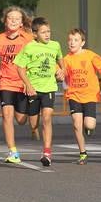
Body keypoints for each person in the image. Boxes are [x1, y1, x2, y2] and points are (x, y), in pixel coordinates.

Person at [14, 17, 65, 167]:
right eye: (43, 32)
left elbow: (60, 59)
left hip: (49, 87)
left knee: (47, 118)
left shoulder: (55, 45)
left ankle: (47, 152)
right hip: (33, 89)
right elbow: (20, 67)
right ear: (35, 34)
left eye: (48, 31)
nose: (47, 35)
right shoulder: (29, 47)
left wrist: (62, 71)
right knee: (33, 123)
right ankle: (33, 127)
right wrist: (28, 85)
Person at [0, 6, 34, 163]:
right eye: (10, 18)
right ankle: (13, 151)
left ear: (22, 22)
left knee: (21, 119)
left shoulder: (28, 38)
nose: (14, 20)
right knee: (7, 115)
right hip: (6, 82)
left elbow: (37, 55)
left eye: (17, 18)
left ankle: (31, 114)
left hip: (23, 82)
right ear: (5, 21)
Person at [62, 28, 101, 165]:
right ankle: (82, 153)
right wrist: (58, 74)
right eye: (70, 40)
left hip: (90, 95)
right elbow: (60, 72)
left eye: (76, 40)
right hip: (74, 95)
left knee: (89, 124)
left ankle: (88, 128)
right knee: (77, 125)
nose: (72, 43)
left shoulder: (89, 55)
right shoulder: (66, 59)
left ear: (82, 42)